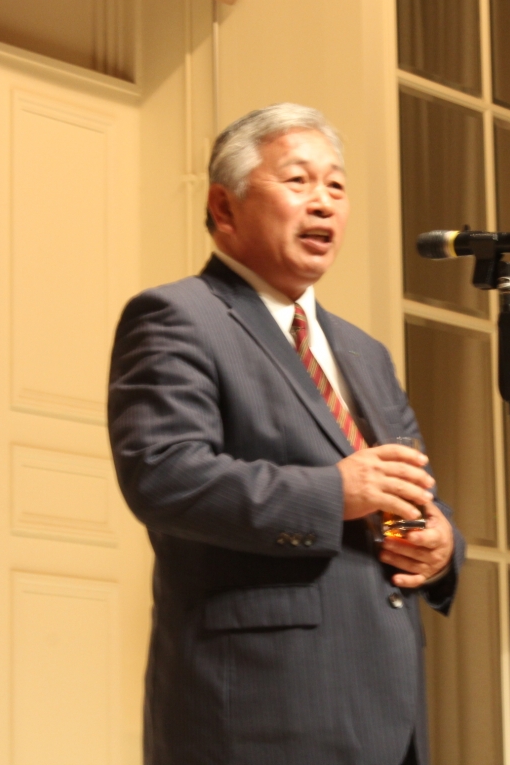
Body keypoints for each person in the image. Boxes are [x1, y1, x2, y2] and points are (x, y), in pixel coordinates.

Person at [108, 103, 465, 765]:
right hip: (257, 710)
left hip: (388, 712)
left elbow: (409, 489)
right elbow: (163, 475)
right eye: (299, 181)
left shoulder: (364, 354)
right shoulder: (178, 317)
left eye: (336, 185)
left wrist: (441, 545)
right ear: (224, 206)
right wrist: (333, 493)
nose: (324, 202)